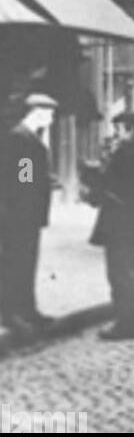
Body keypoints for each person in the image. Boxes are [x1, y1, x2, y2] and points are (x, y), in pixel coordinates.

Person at [0, 93, 57, 338]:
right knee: (16, 263)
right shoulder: (21, 139)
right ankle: (12, 313)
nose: (53, 118)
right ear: (37, 112)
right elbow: (24, 179)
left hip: (29, 214)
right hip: (20, 215)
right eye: (50, 113)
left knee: (28, 262)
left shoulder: (31, 138)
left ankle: (27, 309)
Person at [91, 112, 134, 341]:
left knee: (120, 272)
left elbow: (117, 186)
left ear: (130, 130)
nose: (116, 133)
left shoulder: (127, 154)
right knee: (130, 271)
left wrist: (97, 187)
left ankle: (126, 323)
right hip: (131, 222)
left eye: (119, 129)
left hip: (121, 222)